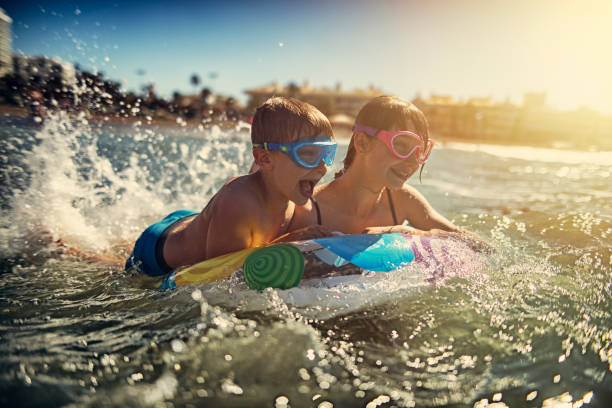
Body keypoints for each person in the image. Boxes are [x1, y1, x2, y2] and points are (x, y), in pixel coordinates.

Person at [126, 97, 337, 276]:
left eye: (328, 154)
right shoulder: (239, 200)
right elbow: (218, 276)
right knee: (106, 263)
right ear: (265, 159)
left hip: (199, 223)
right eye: (308, 154)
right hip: (157, 249)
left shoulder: (286, 186)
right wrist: (290, 242)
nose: (322, 167)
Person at [288, 95, 487, 248]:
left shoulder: (402, 201)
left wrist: (406, 233)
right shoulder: (307, 210)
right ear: (362, 142)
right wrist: (292, 239)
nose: (413, 161)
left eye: (421, 151)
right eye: (401, 145)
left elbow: (473, 243)